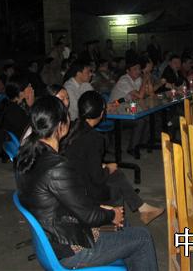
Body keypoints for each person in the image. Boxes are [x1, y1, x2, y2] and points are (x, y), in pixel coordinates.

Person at [16, 96, 158, 270]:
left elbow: (62, 201)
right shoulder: (56, 167)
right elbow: (88, 216)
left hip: (56, 233)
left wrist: (101, 209)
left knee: (124, 226)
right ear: (61, 125)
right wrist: (111, 214)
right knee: (142, 237)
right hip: (71, 248)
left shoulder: (27, 155)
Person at [62, 91, 164, 225]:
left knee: (116, 173)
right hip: (84, 190)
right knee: (115, 181)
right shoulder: (94, 138)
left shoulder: (73, 128)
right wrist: (108, 168)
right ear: (101, 113)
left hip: (71, 183)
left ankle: (143, 209)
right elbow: (97, 178)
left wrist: (104, 166)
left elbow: (80, 161)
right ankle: (119, 224)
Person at [109, 61, 150, 158]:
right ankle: (132, 147)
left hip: (128, 105)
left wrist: (147, 82)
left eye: (139, 69)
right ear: (127, 71)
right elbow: (140, 95)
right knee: (140, 120)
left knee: (147, 115)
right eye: (135, 69)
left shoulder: (138, 79)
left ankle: (142, 144)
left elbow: (144, 95)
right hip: (116, 108)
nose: (138, 71)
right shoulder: (124, 80)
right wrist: (144, 81)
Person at [0, 78, 35, 161]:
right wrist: (31, 106)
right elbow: (31, 127)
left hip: (18, 137)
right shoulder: (13, 110)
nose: (32, 88)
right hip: (19, 142)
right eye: (28, 86)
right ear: (20, 92)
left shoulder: (15, 103)